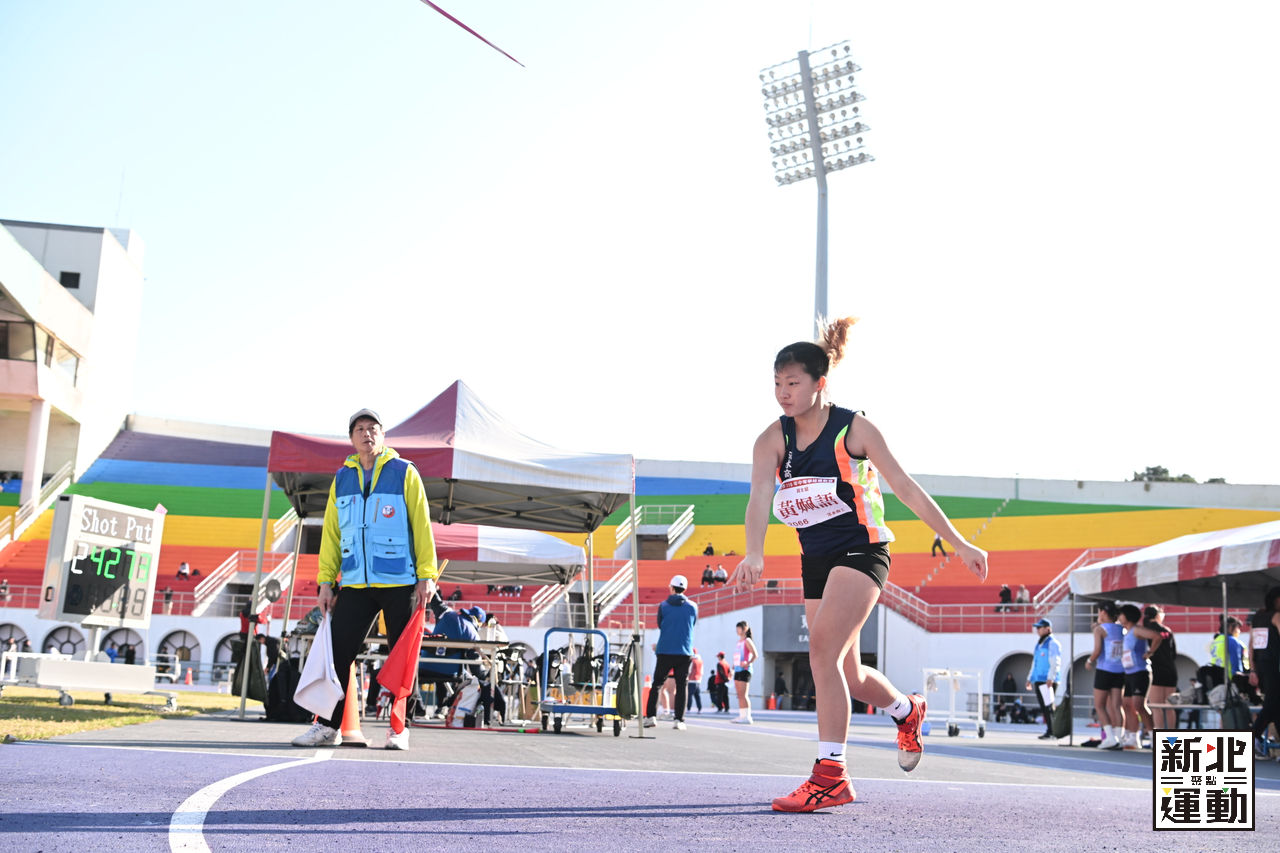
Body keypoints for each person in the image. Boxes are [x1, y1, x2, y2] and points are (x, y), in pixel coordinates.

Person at [734, 318, 988, 812]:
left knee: (821, 652)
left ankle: (831, 775)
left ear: (819, 383)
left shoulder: (855, 429)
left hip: (863, 551)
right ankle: (906, 709)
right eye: (777, 383)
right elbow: (759, 496)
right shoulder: (771, 440)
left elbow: (907, 487)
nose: (783, 393)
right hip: (816, 558)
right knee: (846, 672)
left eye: (793, 383)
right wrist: (754, 551)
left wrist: (958, 543)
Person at [291, 408, 438, 751]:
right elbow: (332, 533)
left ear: (383, 436)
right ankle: (328, 727)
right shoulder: (342, 478)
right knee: (338, 652)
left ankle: (399, 729)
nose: (367, 433)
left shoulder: (404, 472)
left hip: (400, 580)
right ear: (351, 438)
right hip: (356, 582)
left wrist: (426, 575)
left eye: (373, 428)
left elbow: (421, 524)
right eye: (360, 429)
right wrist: (326, 582)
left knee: (401, 657)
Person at [643, 574, 698, 731]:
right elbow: (692, 623)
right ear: (684, 589)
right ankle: (679, 720)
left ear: (672, 588)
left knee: (657, 684)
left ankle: (651, 717)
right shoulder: (693, 606)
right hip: (684, 651)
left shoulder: (663, 606)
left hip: (665, 650)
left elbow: (661, 624)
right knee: (682, 685)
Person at [1117, 603, 1161, 750]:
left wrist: (1150, 653)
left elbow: (1157, 636)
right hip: (1129, 673)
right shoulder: (1126, 632)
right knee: (1127, 705)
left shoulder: (1137, 630)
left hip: (1140, 672)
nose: (1119, 617)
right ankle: (1133, 737)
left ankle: (1154, 736)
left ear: (1128, 616)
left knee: (1139, 705)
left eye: (1121, 614)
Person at [1085, 601, 1127, 750]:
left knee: (1099, 705)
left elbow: (1097, 650)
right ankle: (1119, 738)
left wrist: (1089, 661)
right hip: (1119, 670)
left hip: (1104, 669)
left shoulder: (1100, 629)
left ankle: (1110, 737)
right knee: (1117, 706)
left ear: (1103, 612)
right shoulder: (1121, 628)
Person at [1249, 587, 1280, 756]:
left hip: (1261, 667)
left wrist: (1253, 669)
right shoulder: (1276, 616)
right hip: (1275, 666)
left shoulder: (1257, 617)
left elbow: (1251, 645)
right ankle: (1252, 736)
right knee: (1272, 704)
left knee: (1275, 705)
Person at [1143, 605, 1179, 732]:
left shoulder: (1145, 631)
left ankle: (1159, 733)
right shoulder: (1167, 631)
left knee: (1156, 706)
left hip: (1155, 669)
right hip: (1170, 670)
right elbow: (1174, 653)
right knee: (1169, 706)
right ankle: (1171, 736)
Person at [1026, 617, 1062, 740]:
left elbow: (1055, 662)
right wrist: (1030, 678)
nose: (1038, 630)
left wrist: (1051, 677)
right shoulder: (1039, 644)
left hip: (1048, 680)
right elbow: (1034, 662)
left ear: (1048, 629)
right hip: (1039, 679)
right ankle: (1050, 730)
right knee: (1044, 707)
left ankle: (1053, 731)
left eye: (1040, 628)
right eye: (1037, 628)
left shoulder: (1053, 643)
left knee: (1049, 706)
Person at [730, 621, 759, 724]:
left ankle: (747, 717)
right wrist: (733, 667)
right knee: (739, 694)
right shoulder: (739, 642)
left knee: (743, 694)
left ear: (745, 629)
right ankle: (742, 715)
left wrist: (748, 663)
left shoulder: (747, 641)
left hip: (745, 670)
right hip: (737, 669)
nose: (737, 630)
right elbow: (737, 656)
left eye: (739, 628)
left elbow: (755, 655)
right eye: (737, 628)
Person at [687, 648, 704, 714]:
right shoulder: (700, 661)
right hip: (698, 680)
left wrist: (687, 677)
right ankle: (700, 708)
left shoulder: (692, 661)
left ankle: (688, 708)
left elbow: (689, 670)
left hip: (691, 680)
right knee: (697, 695)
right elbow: (702, 672)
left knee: (689, 695)